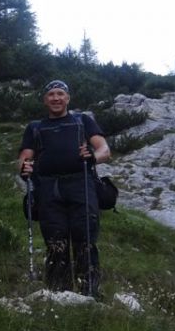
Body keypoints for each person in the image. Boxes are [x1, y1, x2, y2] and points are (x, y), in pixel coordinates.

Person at [18, 80, 111, 297]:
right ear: (45, 100)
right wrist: (24, 166)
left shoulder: (83, 121)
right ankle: (58, 294)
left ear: (68, 98)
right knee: (54, 241)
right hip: (48, 189)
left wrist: (92, 157)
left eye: (60, 94)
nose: (56, 98)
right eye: (51, 94)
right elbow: (23, 158)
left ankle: (90, 293)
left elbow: (105, 150)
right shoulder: (35, 128)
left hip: (81, 185)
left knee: (85, 238)